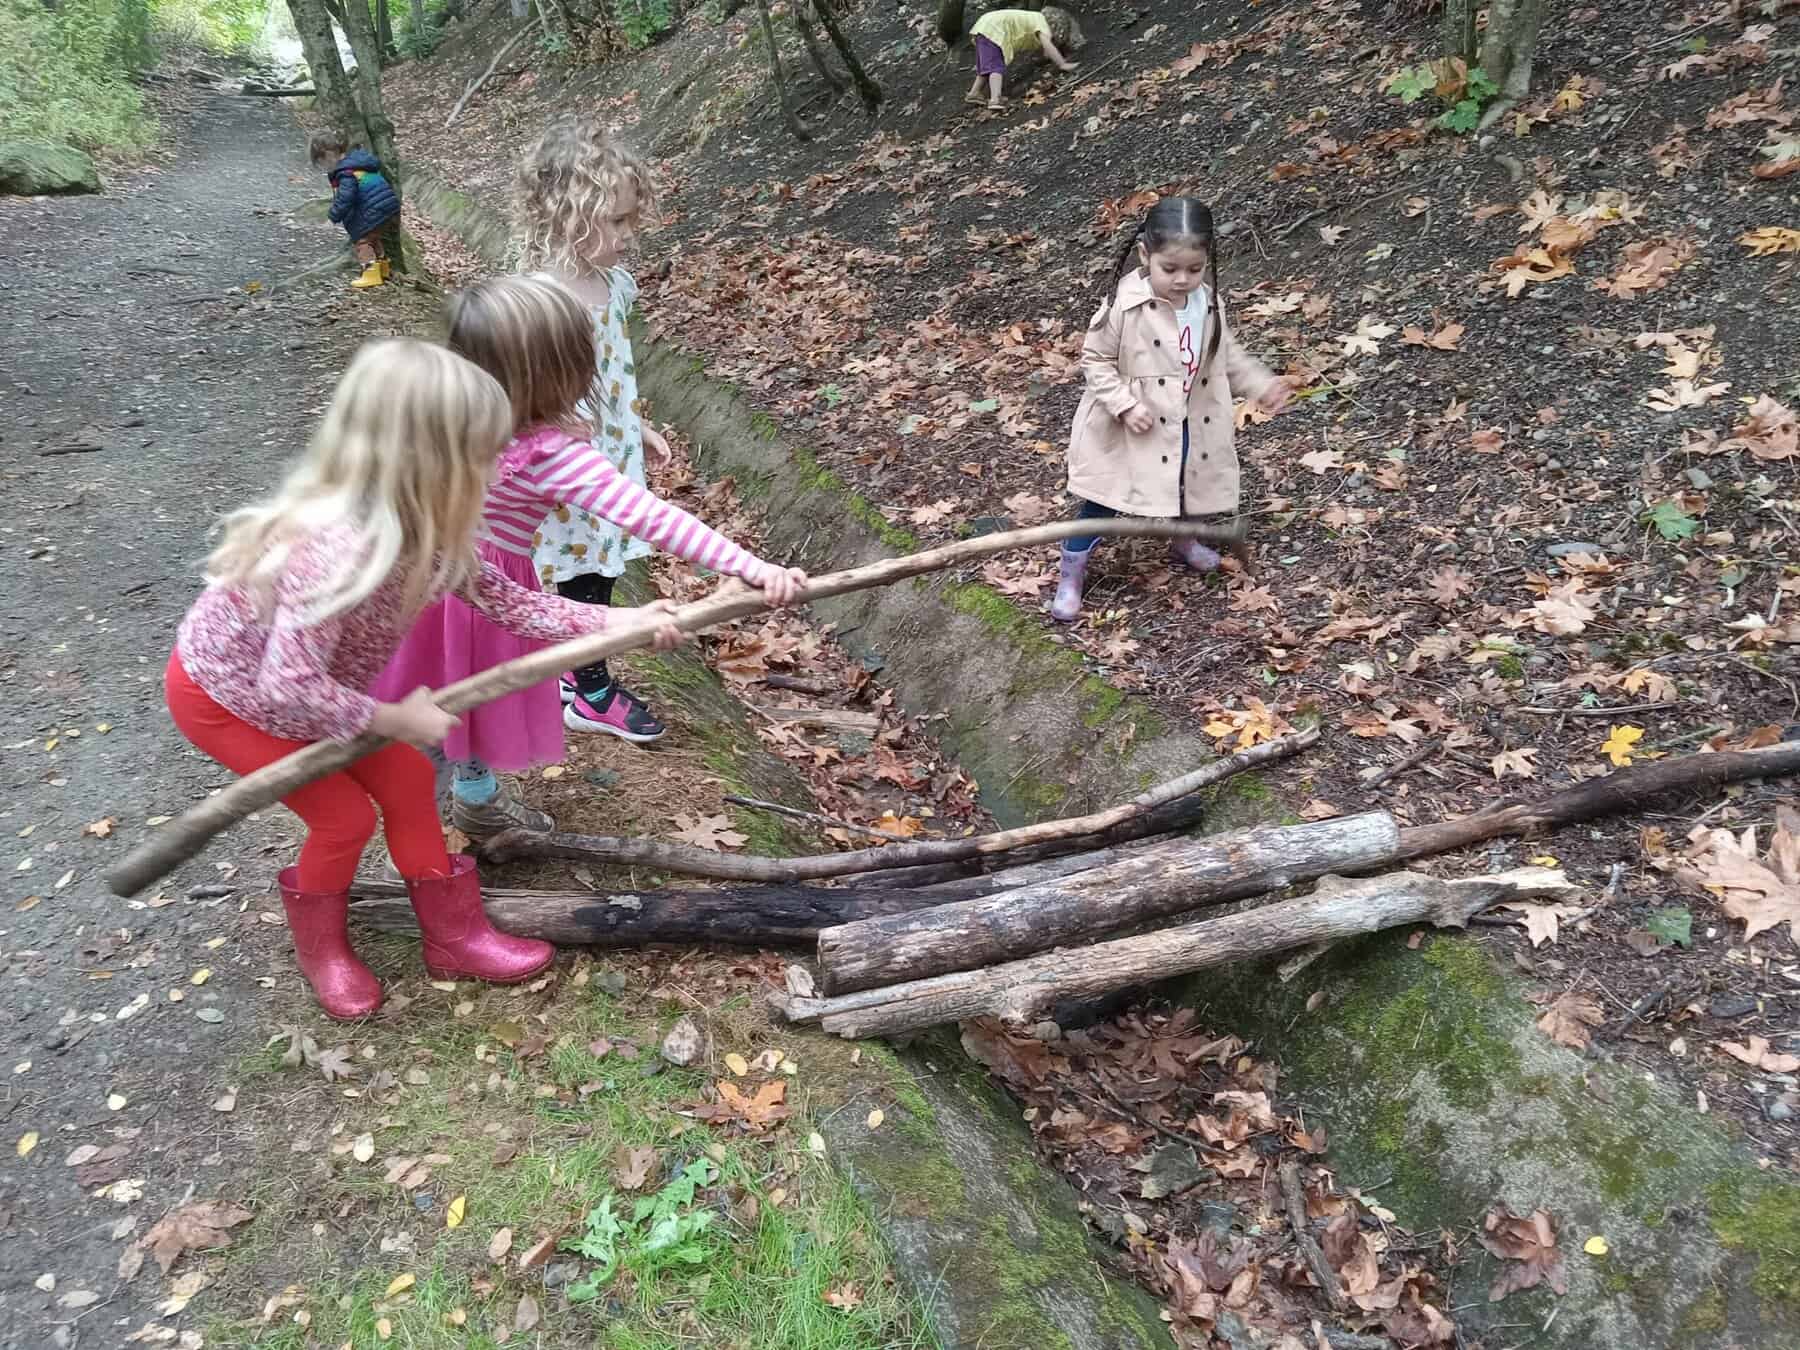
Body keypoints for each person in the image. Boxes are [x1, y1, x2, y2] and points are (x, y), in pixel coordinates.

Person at [166, 339, 683, 1019]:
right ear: (425, 459)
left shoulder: (433, 527)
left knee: (409, 781)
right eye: (482, 451)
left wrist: (621, 623)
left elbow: (511, 602)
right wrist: (392, 721)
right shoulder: (335, 554)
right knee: (343, 817)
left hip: (310, 695)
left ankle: (455, 936)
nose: (499, 465)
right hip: (227, 700)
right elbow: (286, 687)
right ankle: (323, 953)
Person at [374, 274, 806, 841]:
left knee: (436, 698)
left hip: (413, 577)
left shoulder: (448, 412)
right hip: (480, 595)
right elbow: (651, 516)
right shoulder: (550, 455)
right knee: (447, 714)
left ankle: (466, 800)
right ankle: (420, 845)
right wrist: (751, 566)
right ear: (559, 370)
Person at [514, 120, 685, 744]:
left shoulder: (613, 286)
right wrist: (555, 425)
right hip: (567, 463)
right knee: (583, 576)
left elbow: (610, 367)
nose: (626, 235)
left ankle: (572, 673)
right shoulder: (543, 299)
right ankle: (588, 691)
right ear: (565, 216)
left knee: (603, 568)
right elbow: (518, 387)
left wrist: (632, 424)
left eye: (629, 219)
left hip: (609, 450)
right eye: (614, 221)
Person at [1051, 196, 1292, 624]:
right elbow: (1095, 359)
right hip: (1129, 424)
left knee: (1189, 480)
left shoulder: (1208, 302)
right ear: (1146, 255)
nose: (1182, 280)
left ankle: (1182, 541)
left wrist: (1260, 385)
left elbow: (1226, 355)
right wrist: (1124, 404)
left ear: (1207, 261)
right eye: (1170, 269)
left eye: (1194, 270)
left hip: (1188, 414)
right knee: (1101, 500)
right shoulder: (1124, 304)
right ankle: (1071, 571)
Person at [311, 131, 400, 291]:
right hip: (388, 207)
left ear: (329, 155)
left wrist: (332, 218)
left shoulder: (346, 173)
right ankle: (383, 269)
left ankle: (371, 275)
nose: (324, 167)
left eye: (322, 162)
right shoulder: (358, 163)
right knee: (373, 238)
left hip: (375, 209)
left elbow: (345, 198)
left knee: (363, 242)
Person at [965, 5, 1080, 110]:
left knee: (987, 65)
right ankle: (995, 99)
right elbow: (1047, 44)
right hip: (994, 28)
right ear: (1053, 24)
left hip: (985, 26)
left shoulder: (1032, 19)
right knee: (996, 67)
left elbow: (1043, 51)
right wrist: (1062, 64)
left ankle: (974, 92)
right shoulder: (1042, 23)